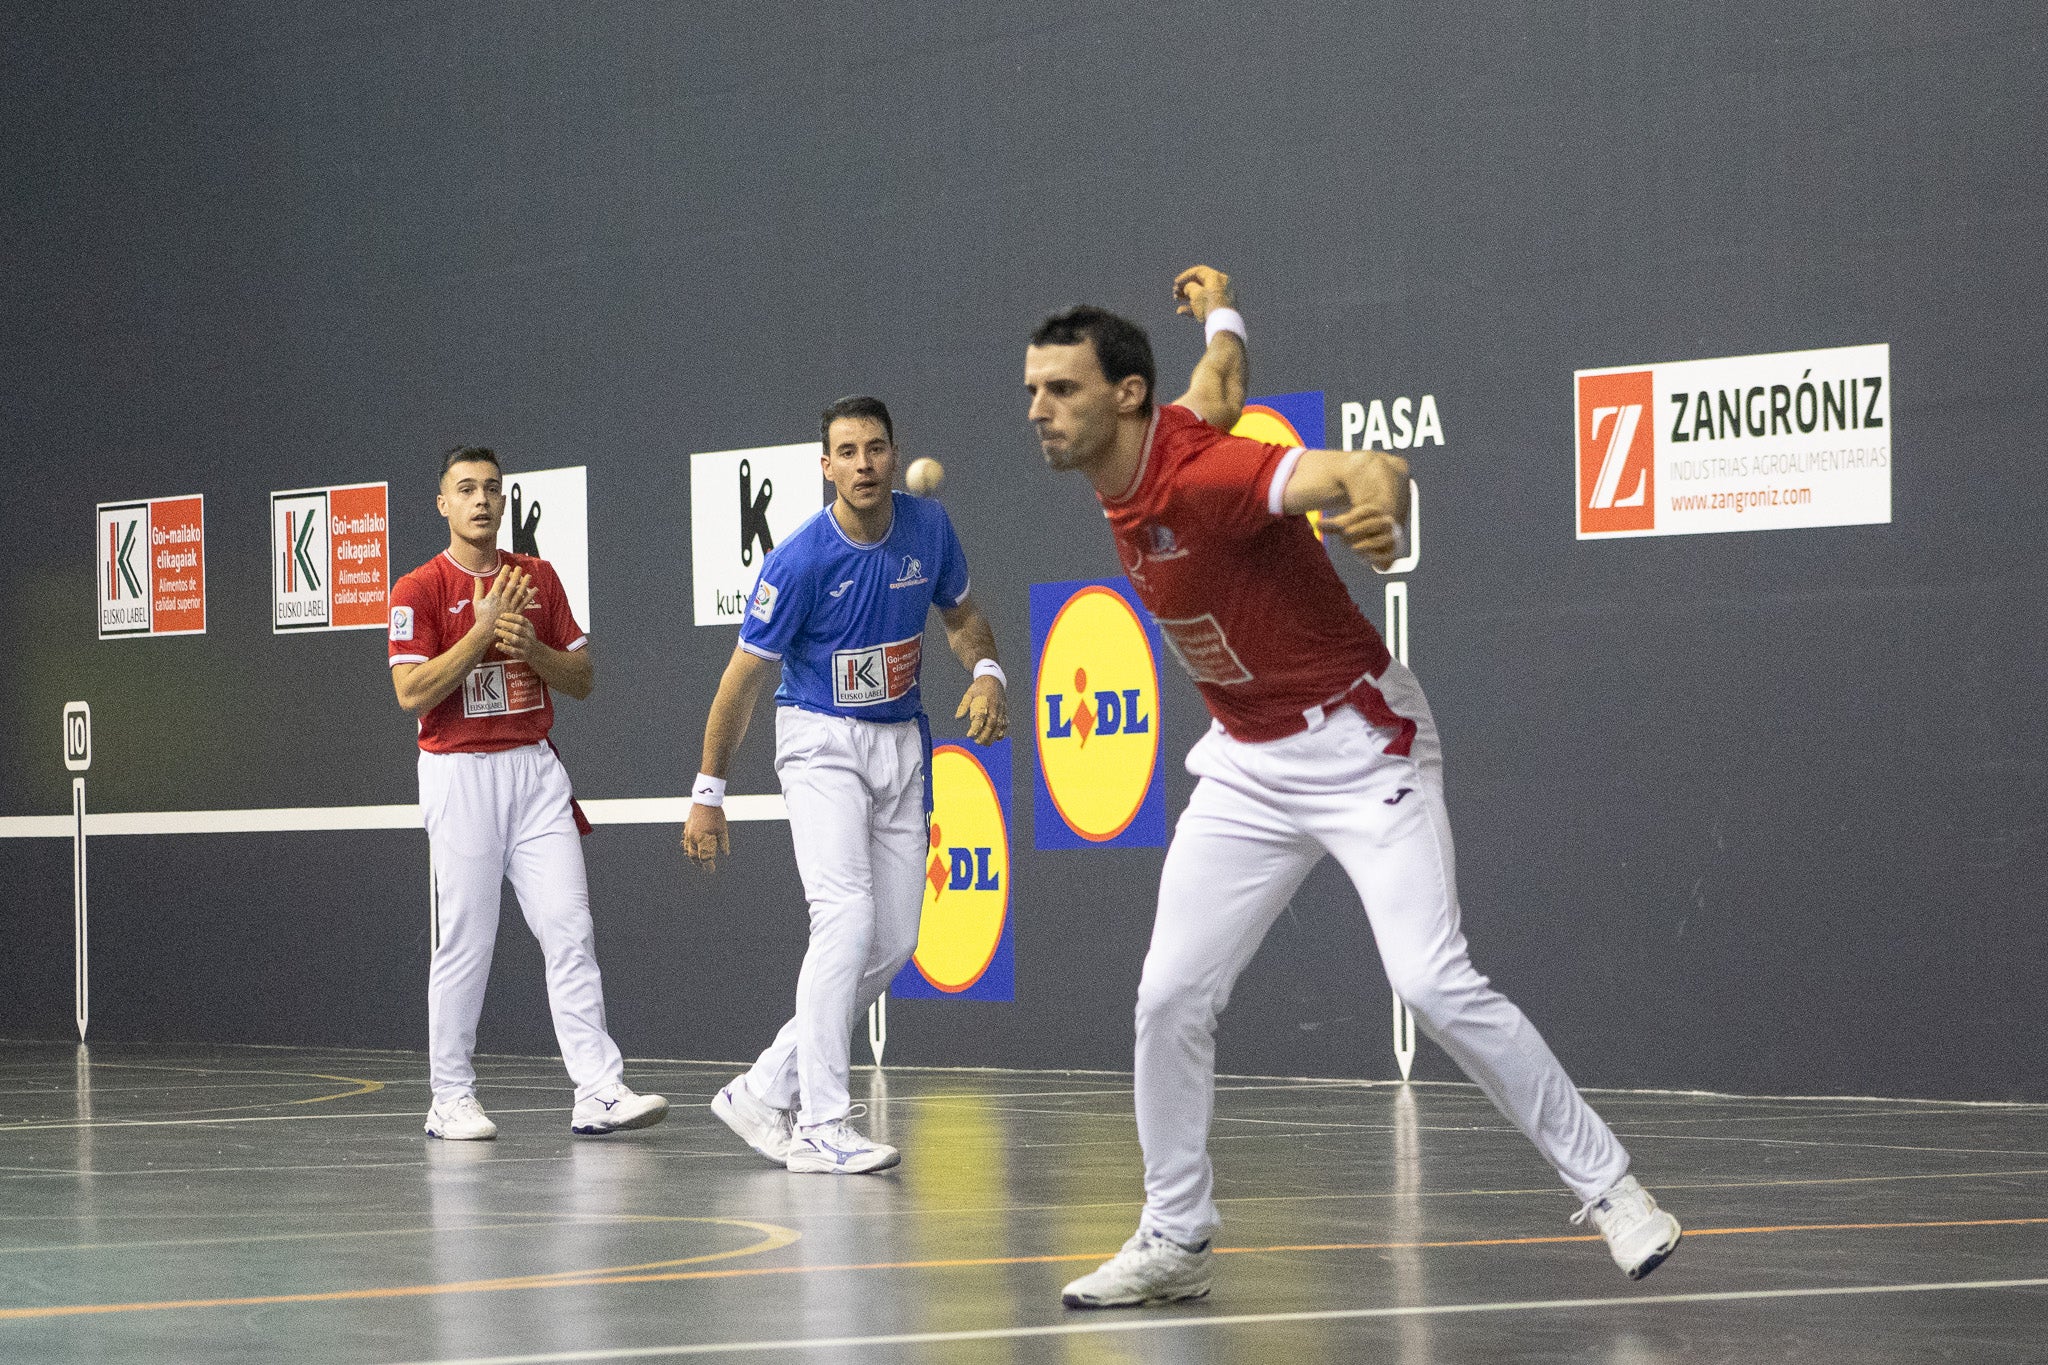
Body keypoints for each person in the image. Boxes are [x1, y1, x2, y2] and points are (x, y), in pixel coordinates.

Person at [1025, 267, 1681, 1308]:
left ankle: (1612, 1191)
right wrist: (1224, 311)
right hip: (1245, 760)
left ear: (1124, 395)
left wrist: (1382, 513)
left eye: (1060, 390)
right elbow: (1222, 378)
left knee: (1428, 980)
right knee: (1168, 997)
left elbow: (1368, 468)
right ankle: (1175, 1234)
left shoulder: (1208, 478)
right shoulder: (1165, 430)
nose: (1038, 412)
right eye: (1032, 392)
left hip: (1358, 742)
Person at [685, 396, 1007, 1174]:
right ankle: (822, 1121)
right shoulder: (797, 561)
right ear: (825, 466)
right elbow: (740, 685)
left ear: (894, 456)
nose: (863, 463)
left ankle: (764, 1087)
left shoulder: (928, 528)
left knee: (894, 938)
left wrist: (988, 670)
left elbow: (962, 618)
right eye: (847, 451)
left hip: (901, 739)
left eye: (875, 448)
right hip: (819, 740)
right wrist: (708, 789)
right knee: (845, 915)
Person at [388, 445, 668, 1141]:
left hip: (535, 771)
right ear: (443, 504)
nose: (480, 499)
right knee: (467, 940)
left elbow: (581, 677)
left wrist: (529, 650)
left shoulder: (537, 577)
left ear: (503, 499)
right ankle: (450, 1096)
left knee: (570, 927)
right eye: (465, 489)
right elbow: (410, 692)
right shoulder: (417, 590)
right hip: (459, 772)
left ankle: (598, 1089)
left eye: (491, 488)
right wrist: (481, 634)